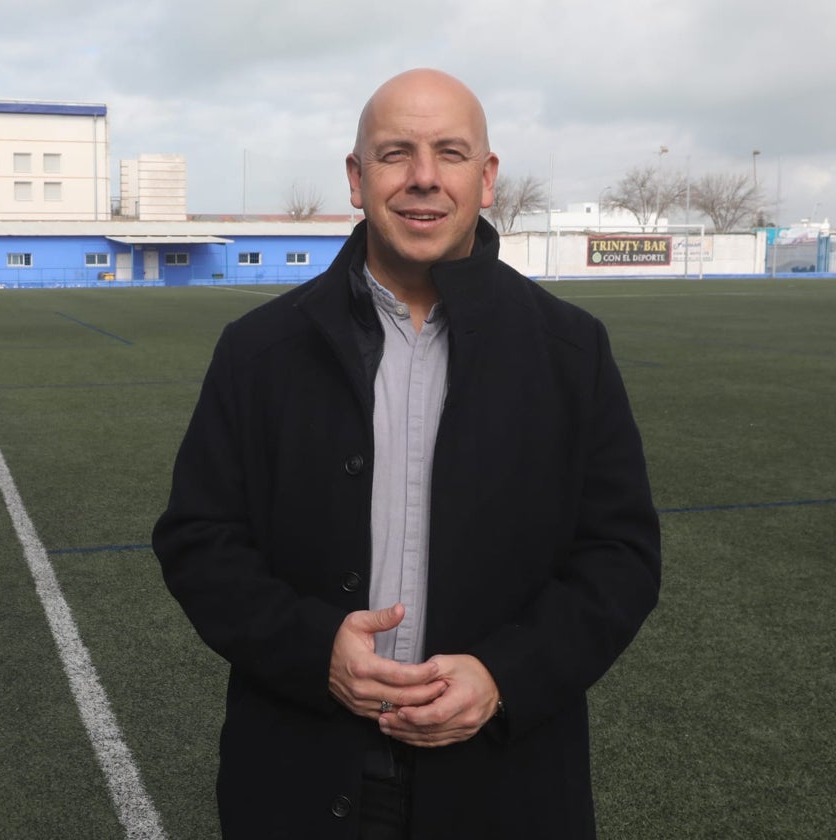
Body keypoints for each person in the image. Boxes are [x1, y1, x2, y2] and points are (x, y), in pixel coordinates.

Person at [152, 68, 661, 839]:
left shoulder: (570, 352)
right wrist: (314, 650)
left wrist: (502, 679)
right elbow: (198, 542)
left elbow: (620, 555)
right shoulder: (259, 351)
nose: (424, 178)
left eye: (450, 153)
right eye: (395, 154)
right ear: (357, 179)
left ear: (486, 179)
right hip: (299, 778)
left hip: (505, 787)